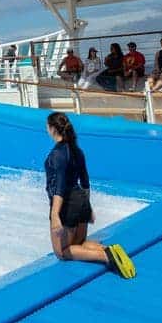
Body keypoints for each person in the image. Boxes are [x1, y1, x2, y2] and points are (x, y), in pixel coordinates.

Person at [43, 112, 135, 278]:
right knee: (79, 243)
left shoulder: (57, 154)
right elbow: (85, 181)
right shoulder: (77, 151)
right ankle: (106, 248)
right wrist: (88, 207)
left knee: (62, 252)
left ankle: (106, 256)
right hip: (81, 201)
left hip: (67, 206)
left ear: (52, 129)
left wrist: (55, 214)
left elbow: (60, 186)